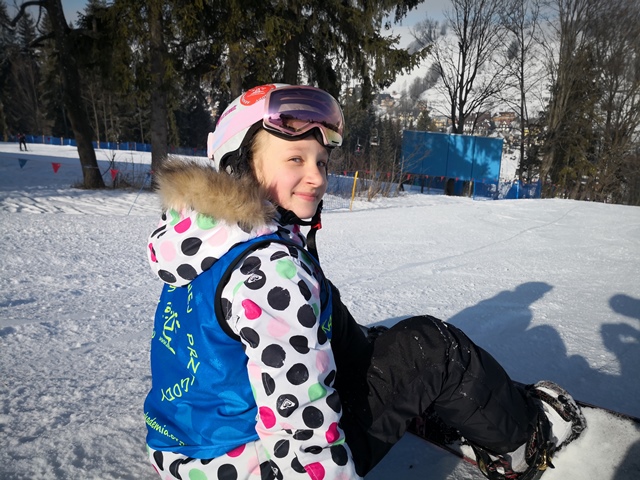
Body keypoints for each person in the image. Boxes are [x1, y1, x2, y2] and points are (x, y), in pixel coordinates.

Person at [143, 84, 586, 480]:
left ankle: (421, 399)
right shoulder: (272, 270)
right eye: (295, 159)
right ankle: (527, 439)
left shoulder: (207, 242)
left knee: (354, 330)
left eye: (321, 160)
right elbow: (299, 422)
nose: (317, 177)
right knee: (429, 349)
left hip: (188, 456)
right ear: (240, 167)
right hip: (259, 465)